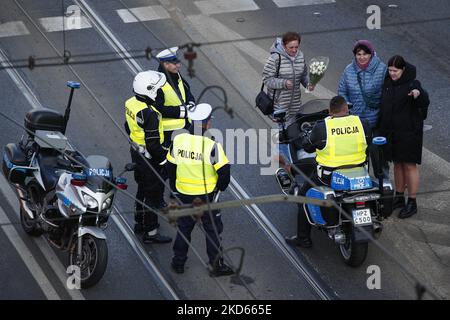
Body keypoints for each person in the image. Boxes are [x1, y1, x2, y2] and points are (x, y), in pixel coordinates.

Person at [285, 96, 372, 247]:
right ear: (347, 109)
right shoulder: (362, 123)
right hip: (359, 174)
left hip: (328, 177)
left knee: (302, 197)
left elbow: (308, 147)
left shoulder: (322, 127)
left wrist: (307, 138)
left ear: (330, 112)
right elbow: (369, 141)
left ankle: (303, 238)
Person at [166, 104, 234, 277]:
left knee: (184, 228)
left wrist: (174, 187)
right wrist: (220, 187)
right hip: (207, 197)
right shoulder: (211, 145)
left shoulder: (179, 140)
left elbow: (170, 166)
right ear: (207, 123)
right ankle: (215, 266)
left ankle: (178, 262)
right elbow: (224, 171)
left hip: (184, 194)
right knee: (212, 230)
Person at [124, 70, 173, 244]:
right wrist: (164, 160)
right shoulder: (150, 114)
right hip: (149, 157)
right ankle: (151, 232)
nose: (159, 92)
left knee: (141, 189)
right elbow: (153, 144)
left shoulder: (130, 103)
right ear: (149, 90)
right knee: (152, 195)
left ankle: (139, 222)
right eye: (157, 89)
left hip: (136, 152)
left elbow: (127, 126)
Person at [378, 55, 430, 219]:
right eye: (390, 70)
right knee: (397, 164)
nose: (392, 73)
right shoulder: (387, 83)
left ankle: (412, 202)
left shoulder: (412, 84)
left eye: (396, 71)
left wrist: (417, 94)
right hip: (392, 133)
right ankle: (399, 196)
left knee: (409, 166)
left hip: (409, 133)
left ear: (403, 70)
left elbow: (423, 100)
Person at [262, 31, 314, 178]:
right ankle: (286, 165)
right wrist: (284, 83)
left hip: (295, 102)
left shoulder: (300, 56)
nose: (294, 50)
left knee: (291, 130)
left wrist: (308, 84)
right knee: (283, 131)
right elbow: (267, 79)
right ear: (284, 46)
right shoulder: (275, 58)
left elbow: (303, 75)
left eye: (296, 47)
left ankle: (279, 155)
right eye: (291, 47)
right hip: (279, 103)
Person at [338, 40, 387, 177]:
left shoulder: (382, 69)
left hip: (376, 121)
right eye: (358, 54)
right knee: (358, 157)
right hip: (356, 122)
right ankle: (360, 183)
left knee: (378, 157)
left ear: (371, 54)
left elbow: (388, 91)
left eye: (365, 54)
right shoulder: (348, 70)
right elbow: (342, 91)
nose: (362, 57)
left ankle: (384, 186)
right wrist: (348, 107)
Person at [155, 47, 196, 148]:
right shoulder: (157, 83)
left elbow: (186, 90)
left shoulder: (175, 74)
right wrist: (182, 111)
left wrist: (191, 103)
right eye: (175, 63)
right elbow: (158, 108)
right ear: (165, 64)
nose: (179, 65)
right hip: (170, 132)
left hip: (185, 125)